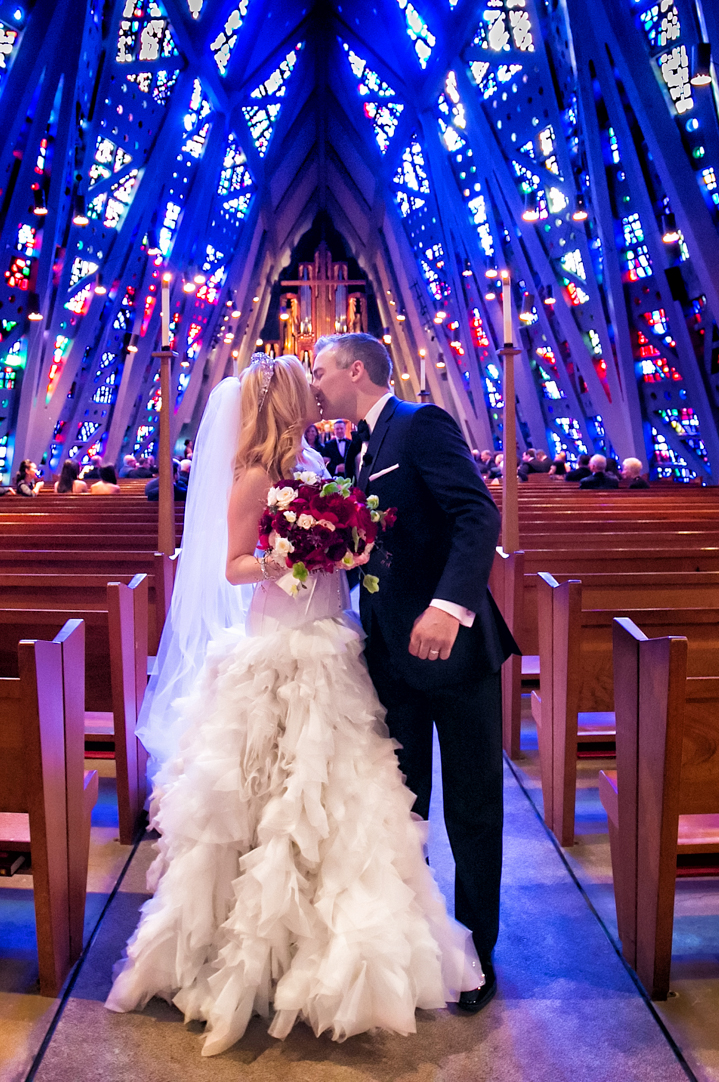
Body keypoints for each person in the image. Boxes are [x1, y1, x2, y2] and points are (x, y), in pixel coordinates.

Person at [105, 353, 484, 1054]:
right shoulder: (254, 470)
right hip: (282, 644)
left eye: (320, 381)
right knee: (275, 802)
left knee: (344, 800)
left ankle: (337, 951)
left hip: (333, 639)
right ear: (281, 398)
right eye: (304, 387)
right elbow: (233, 566)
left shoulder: (315, 456)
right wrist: (298, 552)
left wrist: (342, 545)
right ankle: (260, 959)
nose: (315, 392)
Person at [312, 333, 517, 1008]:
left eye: (320, 370)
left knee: (471, 808)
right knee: (404, 809)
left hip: (454, 656)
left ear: (356, 370)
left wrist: (447, 605)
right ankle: (422, 945)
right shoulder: (363, 445)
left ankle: (478, 955)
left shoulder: (418, 424)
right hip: (390, 660)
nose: (314, 383)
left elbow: (474, 514)